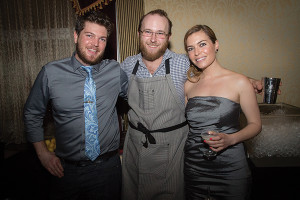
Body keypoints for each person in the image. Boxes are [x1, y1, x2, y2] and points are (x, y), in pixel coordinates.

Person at [120, 9, 266, 200]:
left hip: (172, 151)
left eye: (160, 33)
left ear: (168, 37)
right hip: (136, 148)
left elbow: (213, 75)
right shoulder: (127, 65)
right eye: (147, 31)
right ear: (139, 33)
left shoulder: (182, 63)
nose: (153, 39)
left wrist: (249, 81)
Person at [23, 10, 128, 200]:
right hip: (65, 172)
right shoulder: (50, 73)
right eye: (89, 35)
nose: (95, 44)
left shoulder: (115, 71)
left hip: (107, 170)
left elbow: (138, 99)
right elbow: (32, 113)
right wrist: (43, 154)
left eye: (102, 39)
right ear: (75, 36)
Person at [183, 24, 262, 200]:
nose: (197, 52)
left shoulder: (240, 82)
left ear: (216, 45)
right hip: (194, 167)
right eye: (191, 48)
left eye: (202, 44)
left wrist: (231, 139)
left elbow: (256, 125)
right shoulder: (189, 85)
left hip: (230, 168)